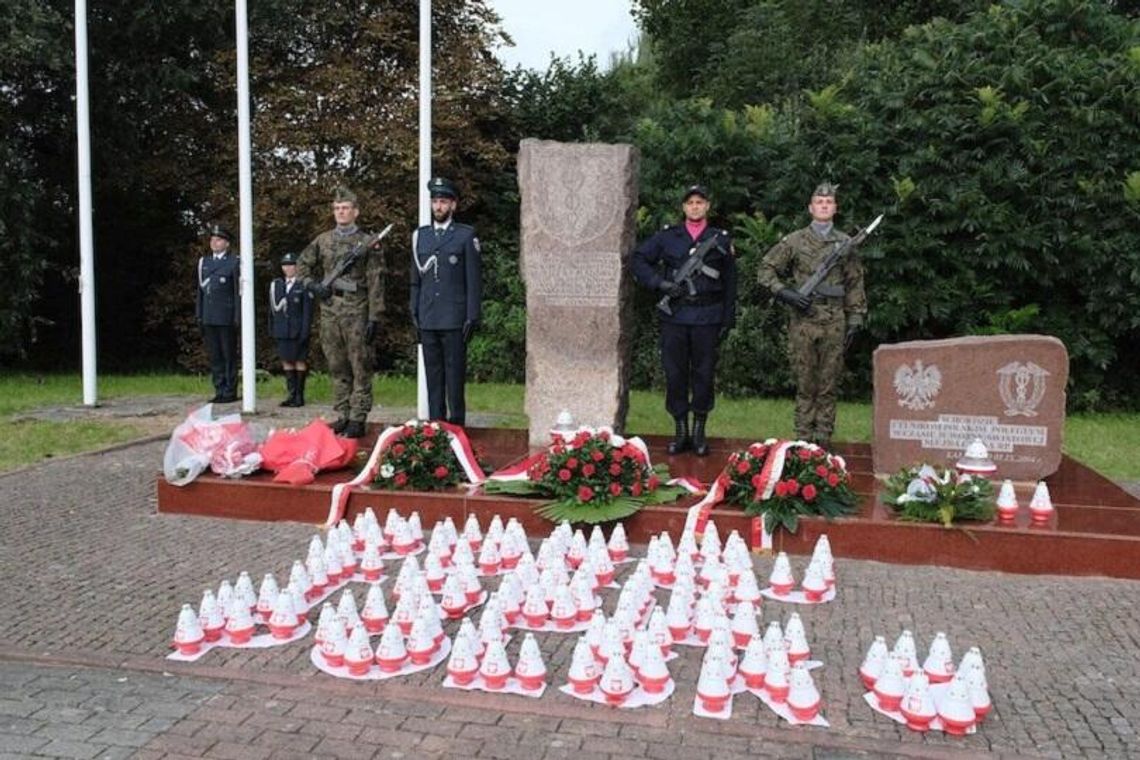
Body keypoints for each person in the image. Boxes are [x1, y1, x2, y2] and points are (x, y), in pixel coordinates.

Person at [758, 182, 867, 449]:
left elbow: (854, 282)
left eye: (828, 203)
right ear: (810, 208)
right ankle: (803, 439)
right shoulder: (795, 240)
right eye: (819, 202)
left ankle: (823, 440)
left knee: (828, 383)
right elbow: (765, 270)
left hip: (834, 320)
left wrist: (855, 317)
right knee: (805, 383)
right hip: (803, 320)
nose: (824, 206)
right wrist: (786, 293)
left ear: (835, 208)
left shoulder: (845, 243)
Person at [631, 184, 736, 457]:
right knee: (675, 373)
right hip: (675, 316)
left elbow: (730, 282)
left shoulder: (720, 239)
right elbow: (639, 258)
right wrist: (661, 284)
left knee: (704, 374)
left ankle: (699, 430)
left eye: (700, 202)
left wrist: (727, 318)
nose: (695, 207)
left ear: (708, 206)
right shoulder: (668, 237)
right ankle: (680, 430)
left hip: (708, 316)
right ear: (683, 207)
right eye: (690, 203)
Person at [296, 187, 387, 438]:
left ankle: (358, 416)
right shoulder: (323, 240)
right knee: (336, 364)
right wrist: (313, 286)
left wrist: (375, 316)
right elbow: (302, 265)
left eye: (345, 208)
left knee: (360, 365)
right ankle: (343, 413)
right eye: (336, 208)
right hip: (330, 311)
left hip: (356, 310)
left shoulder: (368, 242)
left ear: (355, 211)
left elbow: (376, 280)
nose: (340, 212)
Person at [410, 177, 482, 426]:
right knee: (433, 377)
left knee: (454, 376)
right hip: (428, 317)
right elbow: (416, 280)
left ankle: (457, 427)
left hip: (454, 317)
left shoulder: (465, 236)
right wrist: (414, 311)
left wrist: (472, 315)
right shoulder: (421, 236)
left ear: (453, 205)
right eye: (435, 202)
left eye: (443, 202)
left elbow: (473, 280)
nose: (438, 207)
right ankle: (436, 428)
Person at [196, 224, 240, 403]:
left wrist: (237, 316)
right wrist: (200, 313)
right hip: (209, 315)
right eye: (213, 239)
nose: (214, 242)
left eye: (219, 239)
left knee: (228, 355)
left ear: (227, 243)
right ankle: (219, 389)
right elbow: (200, 292)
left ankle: (230, 391)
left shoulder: (234, 262)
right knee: (215, 356)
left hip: (226, 316)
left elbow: (238, 291)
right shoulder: (204, 262)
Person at [268, 252, 314, 407]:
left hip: (297, 330)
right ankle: (291, 395)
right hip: (282, 330)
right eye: (285, 265)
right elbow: (273, 311)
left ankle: (299, 397)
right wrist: (273, 329)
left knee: (299, 361)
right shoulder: (277, 285)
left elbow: (307, 311)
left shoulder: (303, 285)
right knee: (286, 361)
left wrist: (305, 331)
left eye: (291, 265)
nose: (288, 268)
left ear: (297, 267)